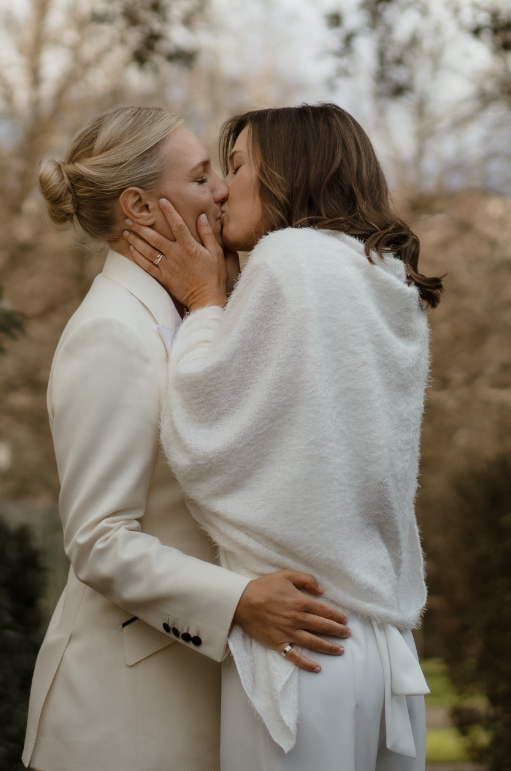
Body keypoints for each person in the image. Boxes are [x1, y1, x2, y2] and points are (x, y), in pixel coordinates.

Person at [23, 105, 356, 771]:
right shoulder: (111, 333)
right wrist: (239, 603)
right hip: (121, 720)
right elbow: (98, 539)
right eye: (203, 177)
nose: (224, 191)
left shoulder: (194, 314)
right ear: (142, 209)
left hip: (192, 703)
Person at [120, 103, 441, 771]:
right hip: (384, 647)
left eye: (236, 167)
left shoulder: (289, 258)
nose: (222, 189)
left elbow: (207, 431)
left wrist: (206, 305)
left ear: (291, 173)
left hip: (300, 639)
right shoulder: (381, 279)